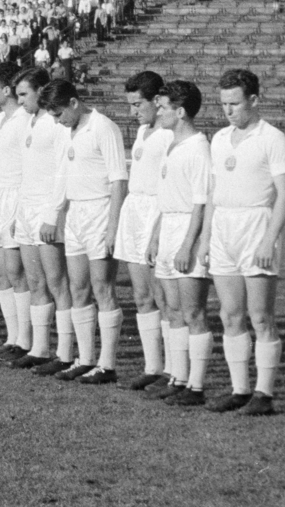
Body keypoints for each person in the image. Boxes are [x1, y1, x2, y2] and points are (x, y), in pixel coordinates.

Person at [204, 69, 285, 415]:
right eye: (224, 103)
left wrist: (269, 240)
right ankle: (240, 389)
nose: (229, 110)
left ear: (254, 100)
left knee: (261, 317)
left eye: (235, 103)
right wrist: (205, 238)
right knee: (230, 315)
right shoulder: (220, 138)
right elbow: (214, 193)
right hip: (224, 227)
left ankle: (264, 394)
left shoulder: (272, 138)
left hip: (257, 225)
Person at [42, 78, 129, 383]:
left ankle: (108, 364)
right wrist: (54, 215)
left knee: (103, 288)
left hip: (101, 212)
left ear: (74, 103)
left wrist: (113, 228)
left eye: (59, 113)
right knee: (78, 289)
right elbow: (62, 176)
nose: (57, 120)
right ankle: (85, 359)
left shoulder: (104, 127)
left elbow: (119, 180)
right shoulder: (67, 130)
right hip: (76, 213)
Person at [142, 81, 213, 407]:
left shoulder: (198, 147)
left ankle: (196, 386)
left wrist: (188, 244)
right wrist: (157, 235)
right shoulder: (172, 144)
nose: (159, 111)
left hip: (187, 228)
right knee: (171, 309)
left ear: (180, 111)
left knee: (192, 310)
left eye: (164, 107)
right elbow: (165, 197)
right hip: (169, 225)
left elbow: (201, 203)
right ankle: (177, 376)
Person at [9, 66, 71, 372]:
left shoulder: (55, 123)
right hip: (27, 210)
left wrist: (52, 214)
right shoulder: (30, 122)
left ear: (41, 90)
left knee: (57, 282)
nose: (20, 101)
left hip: (48, 211)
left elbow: (62, 171)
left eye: (24, 94)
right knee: (35, 281)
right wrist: (18, 212)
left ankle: (67, 353)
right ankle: (41, 348)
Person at [111, 71, 171, 390]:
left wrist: (158, 229)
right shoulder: (143, 130)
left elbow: (171, 186)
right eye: (131, 105)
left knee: (163, 295)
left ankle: (174, 371)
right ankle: (152, 367)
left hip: (157, 213)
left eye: (138, 104)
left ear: (157, 100)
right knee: (141, 294)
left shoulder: (169, 134)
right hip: (134, 211)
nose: (133, 111)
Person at [0, 62, 32, 361]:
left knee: (16, 272)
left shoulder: (25, 119)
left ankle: (25, 341)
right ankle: (12, 337)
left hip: (16, 196)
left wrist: (20, 208)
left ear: (7, 89)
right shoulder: (1, 120)